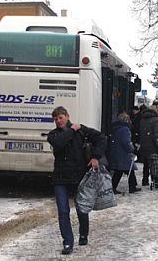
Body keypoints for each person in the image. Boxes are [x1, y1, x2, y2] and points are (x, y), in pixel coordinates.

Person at [47, 106, 106, 255]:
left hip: (79, 176)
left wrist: (96, 157)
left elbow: (101, 138)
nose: (58, 121)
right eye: (55, 119)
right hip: (60, 178)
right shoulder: (53, 135)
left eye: (60, 117)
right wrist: (71, 130)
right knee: (63, 211)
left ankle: (83, 233)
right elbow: (60, 143)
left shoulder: (81, 130)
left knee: (81, 208)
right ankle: (67, 242)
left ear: (67, 116)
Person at [108, 112, 141, 194]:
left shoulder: (115, 128)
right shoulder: (125, 129)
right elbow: (126, 142)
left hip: (116, 151)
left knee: (121, 170)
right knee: (127, 168)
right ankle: (131, 187)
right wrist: (132, 150)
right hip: (123, 153)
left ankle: (115, 187)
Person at [139, 106, 158, 186]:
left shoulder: (142, 119)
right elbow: (157, 133)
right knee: (154, 164)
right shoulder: (156, 120)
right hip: (153, 145)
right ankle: (156, 181)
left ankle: (145, 180)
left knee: (146, 164)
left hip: (144, 144)